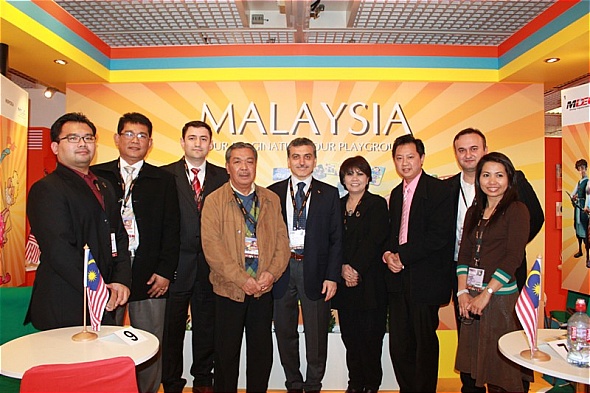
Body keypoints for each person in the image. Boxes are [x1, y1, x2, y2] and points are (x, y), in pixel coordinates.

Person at [446, 128, 544, 392]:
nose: (492, 181)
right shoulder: (474, 211)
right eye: (486, 175)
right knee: (476, 365)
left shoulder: (517, 209)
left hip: (500, 298)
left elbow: (513, 256)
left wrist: (486, 294)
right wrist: (464, 292)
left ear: (509, 178)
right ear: (478, 179)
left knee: (503, 371)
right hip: (472, 296)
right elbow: (465, 254)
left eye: (499, 176)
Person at [92, 112, 180, 393]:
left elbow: (172, 228)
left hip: (149, 273)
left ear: (150, 142)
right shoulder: (97, 175)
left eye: (142, 136)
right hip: (107, 272)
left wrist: (165, 272)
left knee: (149, 341)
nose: (135, 140)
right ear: (117, 138)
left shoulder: (163, 179)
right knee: (105, 337)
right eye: (129, 134)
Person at [25, 112, 131, 330]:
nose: (83, 143)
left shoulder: (104, 186)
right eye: (73, 138)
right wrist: (98, 289)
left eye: (89, 138)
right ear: (55, 147)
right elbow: (59, 250)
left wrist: (121, 279)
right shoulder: (47, 189)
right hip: (66, 302)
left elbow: (118, 236)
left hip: (104, 298)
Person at [201, 142, 290, 393]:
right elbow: (212, 248)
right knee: (226, 353)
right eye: (237, 161)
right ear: (228, 166)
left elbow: (282, 243)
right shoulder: (214, 200)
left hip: (263, 289)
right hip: (229, 290)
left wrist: (271, 274)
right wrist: (242, 279)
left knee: (261, 353)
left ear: (255, 165)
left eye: (249, 161)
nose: (244, 167)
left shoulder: (271, 199)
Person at [269, 137, 343, 393]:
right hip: (281, 270)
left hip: (316, 272)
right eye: (296, 156)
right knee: (285, 333)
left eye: (307, 156)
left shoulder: (329, 193)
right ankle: (293, 382)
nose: (302, 162)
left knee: (316, 334)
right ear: (288, 160)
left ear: (314, 160)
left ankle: (313, 385)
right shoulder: (272, 192)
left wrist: (332, 276)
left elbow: (336, 239)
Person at [161, 120, 229, 393]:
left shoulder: (223, 177)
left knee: (207, 329)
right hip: (175, 267)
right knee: (171, 330)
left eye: (203, 139)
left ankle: (203, 380)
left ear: (210, 145)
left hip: (211, 268)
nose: (198, 143)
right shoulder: (164, 176)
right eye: (192, 138)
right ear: (182, 142)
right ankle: (172, 383)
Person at [382, 134, 452, 393]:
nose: (405, 163)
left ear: (421, 158)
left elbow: (438, 236)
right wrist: (388, 255)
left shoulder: (439, 191)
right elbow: (392, 234)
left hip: (426, 279)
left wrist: (403, 256)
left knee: (424, 342)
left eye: (410, 157)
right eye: (399, 158)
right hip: (398, 280)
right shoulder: (396, 193)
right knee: (400, 343)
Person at [332, 156, 389, 393]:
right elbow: (332, 242)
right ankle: (354, 383)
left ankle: (371, 384)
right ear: (343, 179)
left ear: (368, 178)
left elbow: (374, 240)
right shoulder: (336, 205)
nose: (354, 179)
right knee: (351, 338)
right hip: (344, 284)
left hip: (371, 283)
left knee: (371, 339)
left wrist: (354, 267)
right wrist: (342, 268)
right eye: (349, 174)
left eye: (360, 174)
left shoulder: (376, 204)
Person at [571, 159, 588, 260]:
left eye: (582, 168)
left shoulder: (588, 182)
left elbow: (588, 196)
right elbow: (573, 193)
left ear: (586, 168)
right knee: (577, 227)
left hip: (584, 208)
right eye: (579, 169)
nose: (581, 171)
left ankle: (588, 256)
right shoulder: (579, 182)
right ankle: (580, 250)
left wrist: (586, 207)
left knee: (586, 230)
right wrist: (574, 197)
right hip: (578, 207)